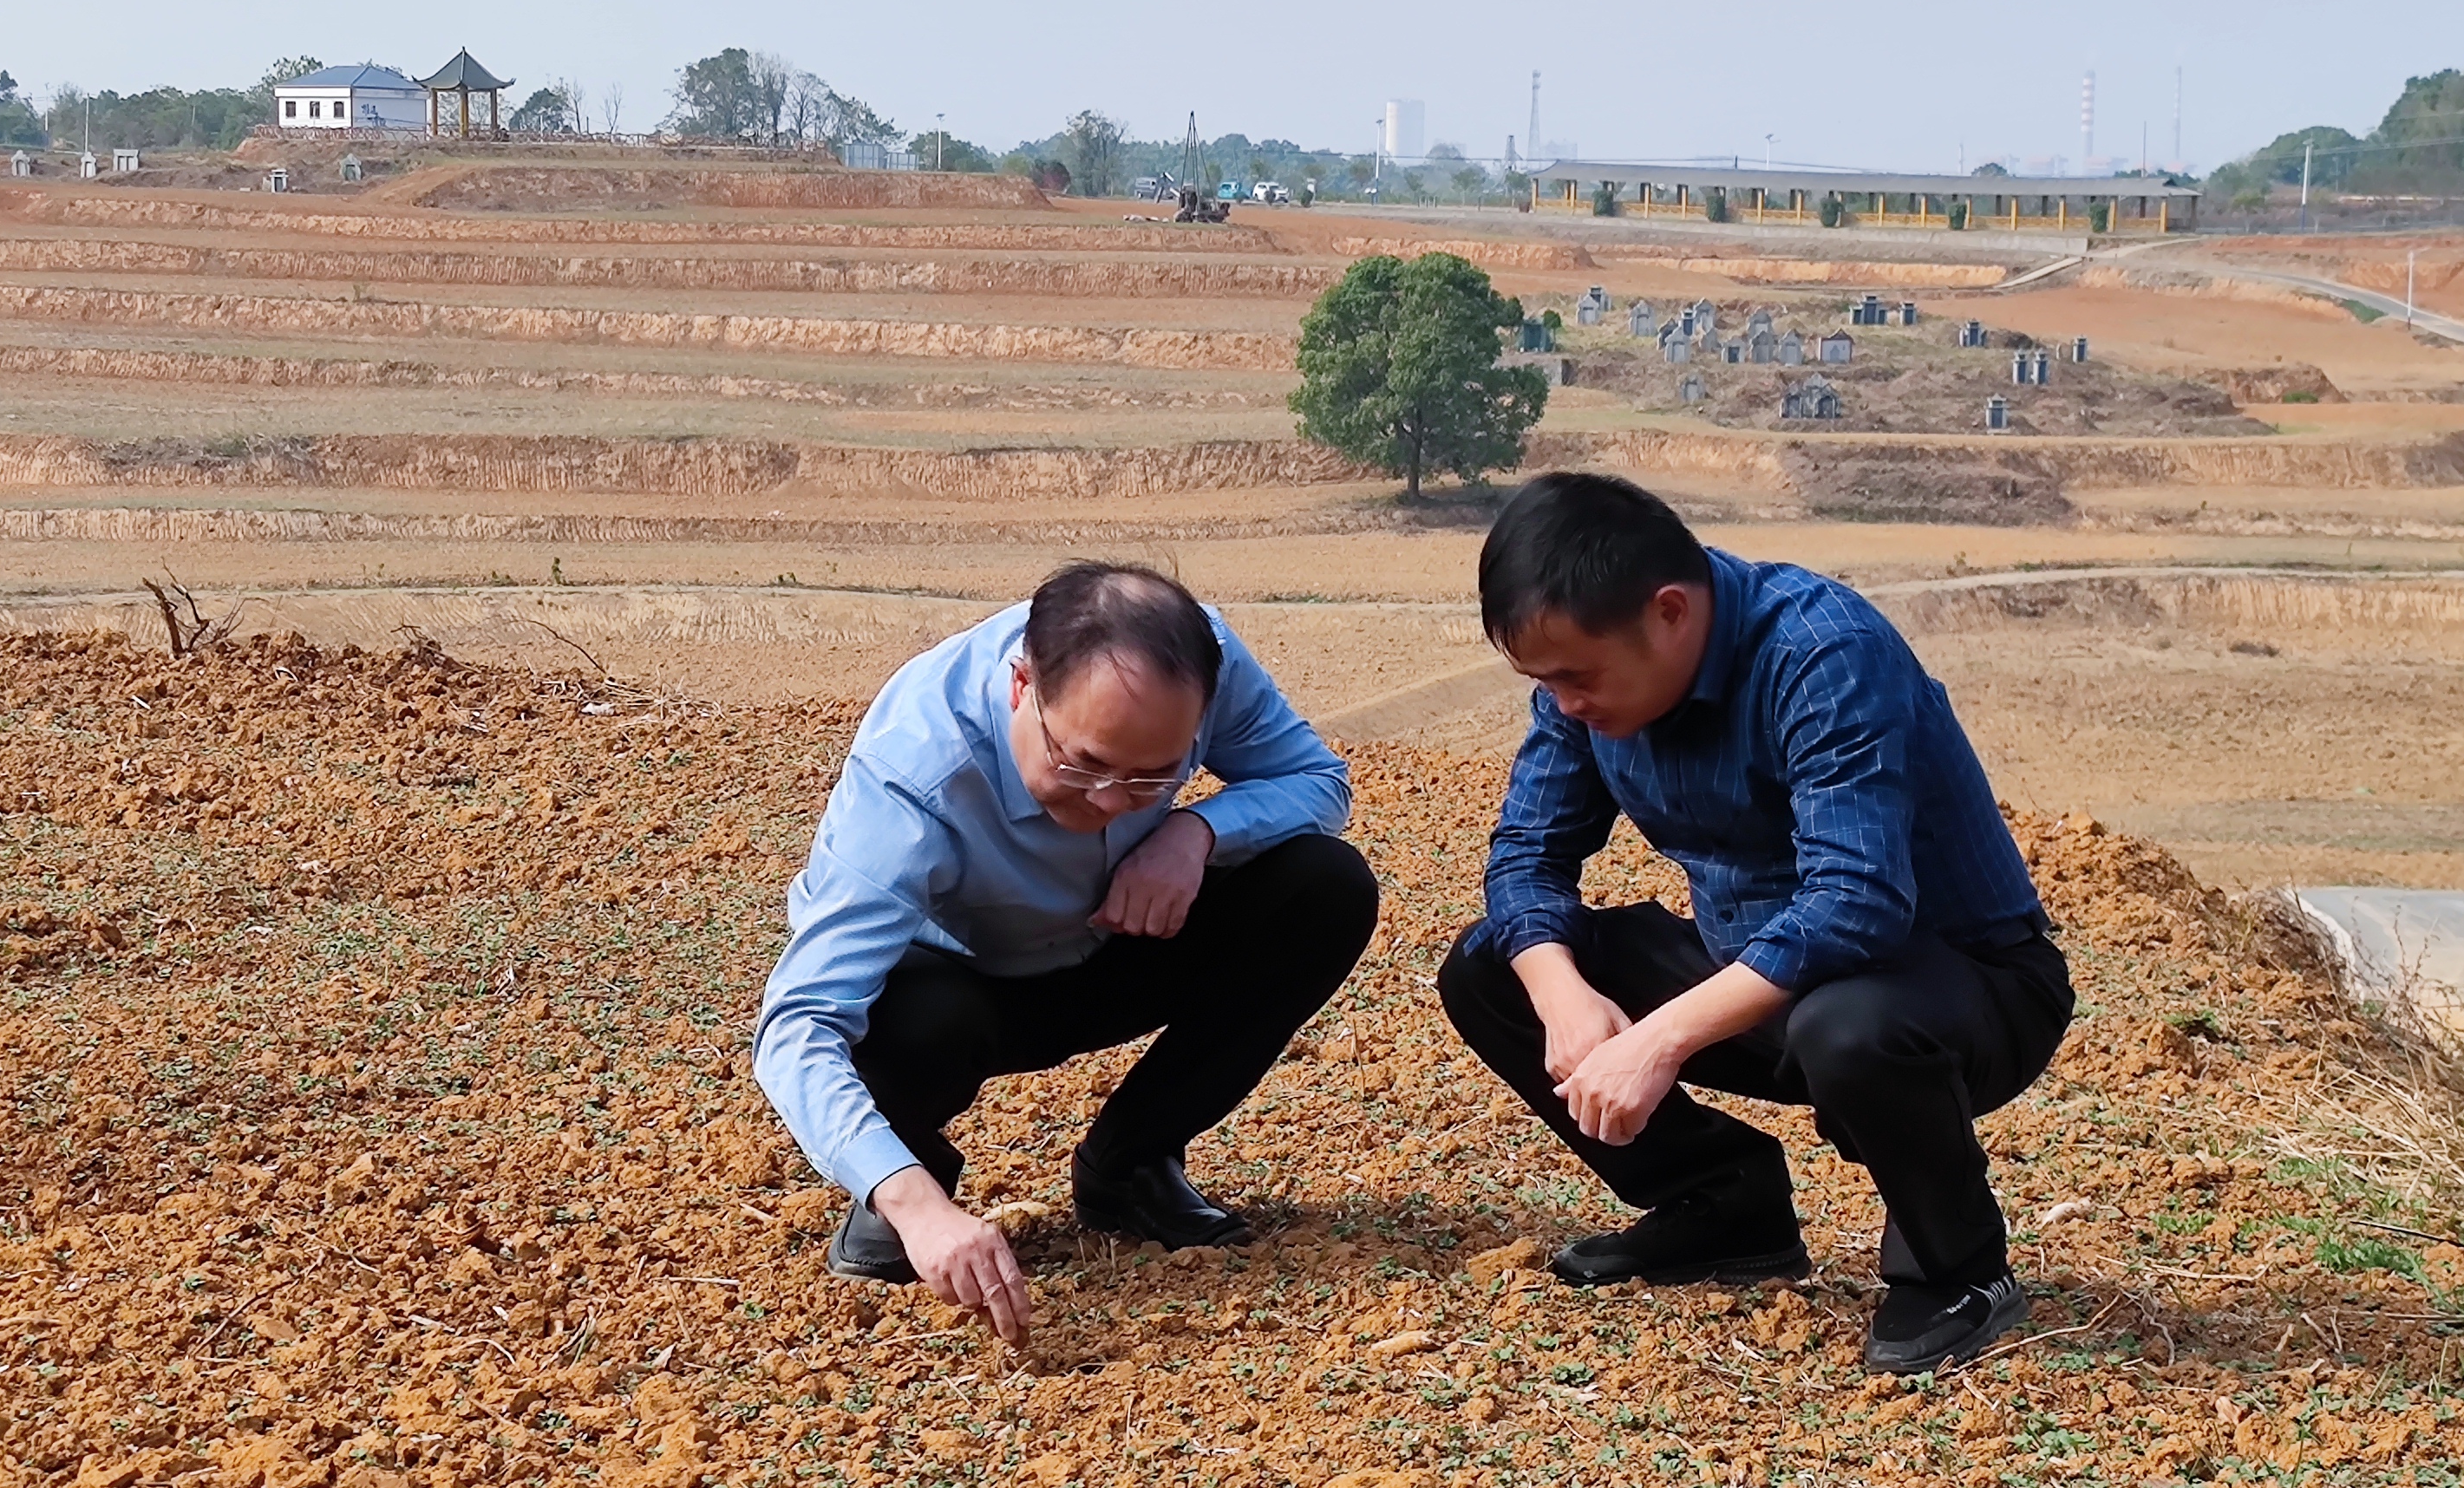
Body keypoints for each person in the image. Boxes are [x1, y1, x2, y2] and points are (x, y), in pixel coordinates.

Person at [1433, 473, 2074, 1374]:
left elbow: (1857, 905)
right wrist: (1566, 997)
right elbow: (1528, 855)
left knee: (1846, 1026)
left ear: (1669, 613)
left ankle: (1959, 1269)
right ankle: (1723, 1209)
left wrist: (1654, 1041)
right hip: (1758, 970)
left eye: (1577, 675)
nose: (1565, 702)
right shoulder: (1585, 692)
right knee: (1494, 969)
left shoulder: (1823, 652)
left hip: (1962, 986)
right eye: (1543, 681)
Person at [755, 563, 1378, 1346]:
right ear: (1022, 686)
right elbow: (799, 1024)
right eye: (1082, 766)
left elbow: (1318, 780)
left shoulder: (1196, 658)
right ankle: (903, 1183)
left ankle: (1131, 1167)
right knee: (907, 1020)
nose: (1113, 802)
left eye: (1153, 778)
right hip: (961, 988)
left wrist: (1196, 831)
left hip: (1122, 940)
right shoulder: (911, 770)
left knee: (1325, 889)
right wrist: (914, 1206)